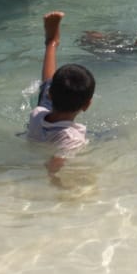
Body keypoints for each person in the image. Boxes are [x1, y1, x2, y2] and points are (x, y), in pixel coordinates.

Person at [28, 10, 96, 176]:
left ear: (52, 96)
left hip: (46, 123)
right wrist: (57, 184)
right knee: (110, 136)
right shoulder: (72, 140)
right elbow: (54, 165)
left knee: (48, 85)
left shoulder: (36, 114)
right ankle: (51, 43)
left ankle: (52, 42)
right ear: (87, 105)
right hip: (59, 132)